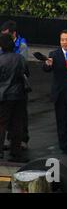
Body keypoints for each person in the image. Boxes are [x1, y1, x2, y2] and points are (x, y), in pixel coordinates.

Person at [42, 30, 67, 158]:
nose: (64, 42)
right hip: (59, 95)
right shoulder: (54, 54)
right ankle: (65, 150)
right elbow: (46, 69)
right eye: (62, 40)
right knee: (61, 123)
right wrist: (47, 64)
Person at [0, 34, 29, 162]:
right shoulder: (20, 58)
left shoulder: (1, 59)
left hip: (3, 96)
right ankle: (15, 151)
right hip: (19, 95)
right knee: (17, 124)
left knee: (1, 124)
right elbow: (26, 73)